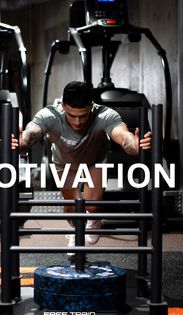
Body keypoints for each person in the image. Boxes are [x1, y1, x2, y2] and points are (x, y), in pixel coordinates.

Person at [12, 81, 152, 258]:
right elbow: (30, 135)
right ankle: (77, 229)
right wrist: (20, 142)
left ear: (91, 106)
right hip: (65, 165)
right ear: (62, 105)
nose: (77, 122)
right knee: (71, 211)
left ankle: (93, 220)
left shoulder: (104, 115)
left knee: (92, 206)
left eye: (83, 116)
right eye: (72, 115)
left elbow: (124, 137)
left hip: (95, 162)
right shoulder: (49, 115)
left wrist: (136, 145)